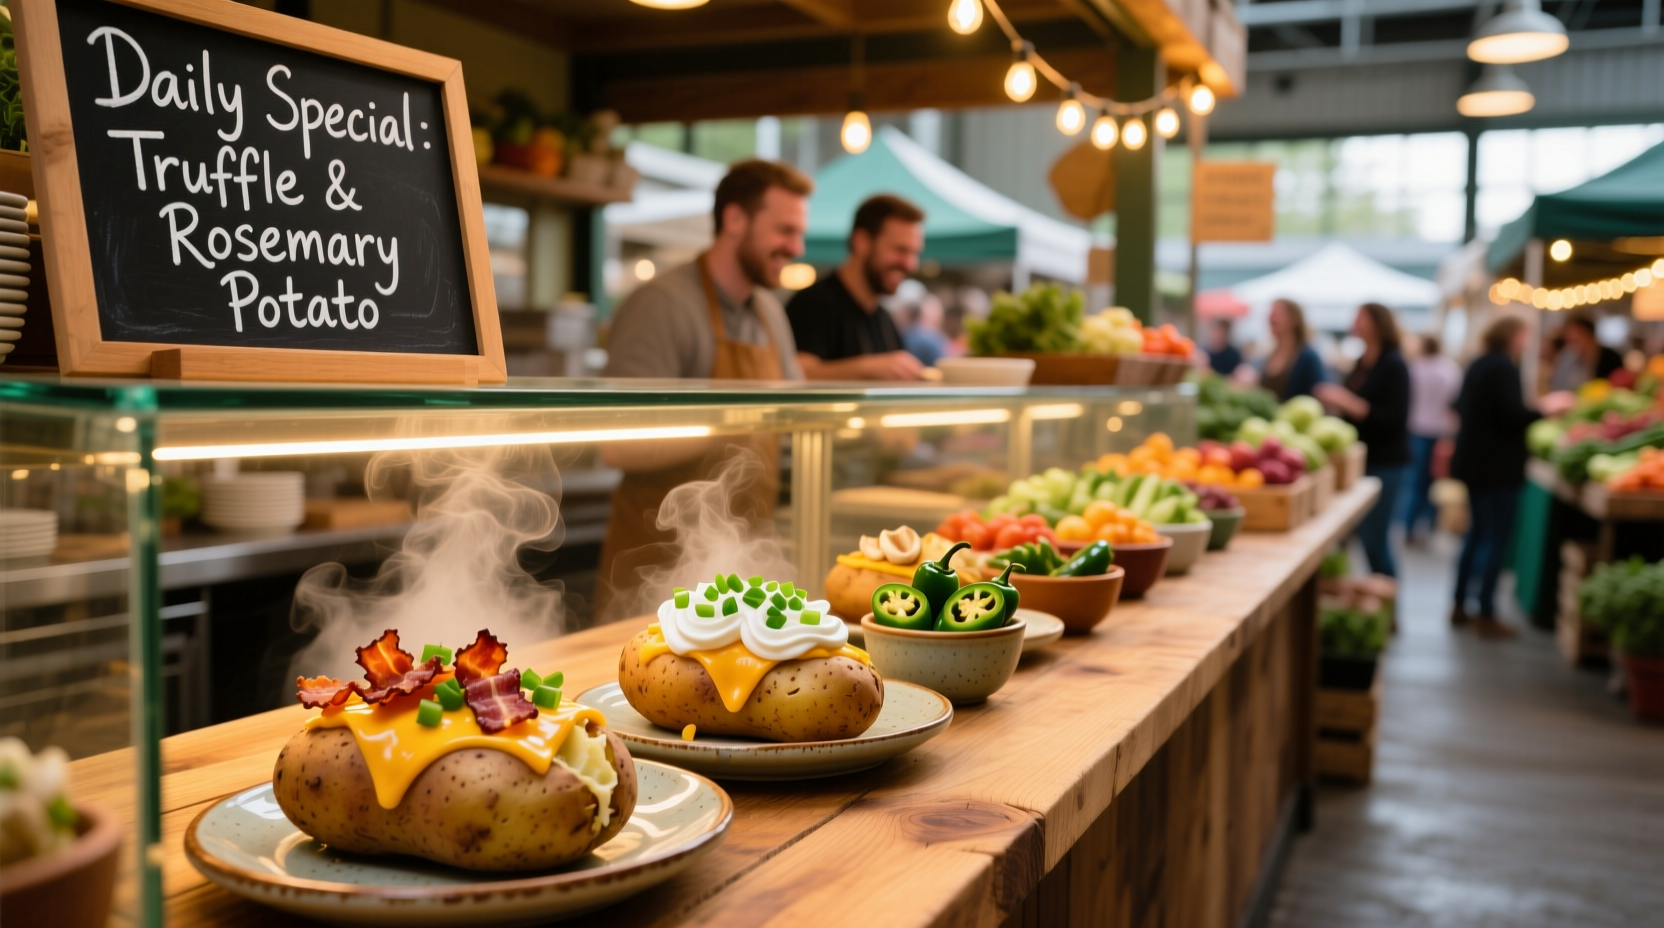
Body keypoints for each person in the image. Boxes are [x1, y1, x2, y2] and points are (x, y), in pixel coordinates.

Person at [596, 159, 813, 620]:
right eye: (785, 230)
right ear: (735, 219)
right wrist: (733, 421)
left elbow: (796, 416)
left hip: (742, 571)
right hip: (656, 572)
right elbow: (618, 445)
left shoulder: (771, 315)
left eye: (799, 233)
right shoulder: (661, 306)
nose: (797, 247)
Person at [1450, 316, 1574, 637]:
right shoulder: (1503, 367)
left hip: (1475, 465)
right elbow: (1512, 417)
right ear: (1513, 336)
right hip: (1497, 469)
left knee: (1475, 536)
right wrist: (1545, 407)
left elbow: (1462, 406)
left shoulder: (1478, 364)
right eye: (1524, 335)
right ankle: (1486, 612)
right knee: (1493, 540)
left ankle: (1460, 603)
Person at [1314, 303, 1411, 578]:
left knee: (1375, 540)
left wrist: (1346, 401)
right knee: (1362, 537)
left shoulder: (1394, 365)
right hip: (1359, 459)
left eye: (1361, 318)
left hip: (1386, 462)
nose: (1354, 322)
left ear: (1378, 323)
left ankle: (1389, 606)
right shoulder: (1361, 363)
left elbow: (1394, 418)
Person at [786, 194, 927, 381]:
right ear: (862, 241)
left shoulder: (884, 318)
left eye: (914, 253)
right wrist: (867, 368)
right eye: (900, 250)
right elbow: (794, 373)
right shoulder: (812, 304)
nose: (910, 264)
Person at [1402, 333, 1462, 543]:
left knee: (1415, 481)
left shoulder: (1415, 367)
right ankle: (1426, 526)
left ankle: (1408, 524)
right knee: (1434, 481)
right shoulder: (1449, 369)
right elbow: (1455, 402)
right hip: (1439, 430)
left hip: (1416, 428)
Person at [1259, 298, 1325, 400]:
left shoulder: (1308, 356)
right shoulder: (1271, 354)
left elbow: (1319, 392)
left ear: (1294, 319)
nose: (1270, 317)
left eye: (1276, 313)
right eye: (1270, 313)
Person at [1547, 310, 1623, 391]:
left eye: (1575, 339)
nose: (1571, 344)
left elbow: (1619, 388)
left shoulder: (1612, 358)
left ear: (1589, 334)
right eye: (1569, 340)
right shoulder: (1567, 357)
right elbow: (1557, 387)